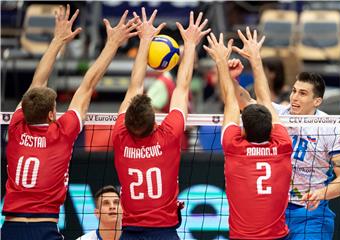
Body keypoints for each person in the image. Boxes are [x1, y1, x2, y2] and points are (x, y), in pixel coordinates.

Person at [1, 5, 139, 240]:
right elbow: (88, 84)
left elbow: (37, 82)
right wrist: (113, 44)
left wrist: (57, 40)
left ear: (24, 111)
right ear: (53, 115)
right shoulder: (61, 133)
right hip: (43, 228)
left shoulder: (15, 126)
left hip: (10, 228)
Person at [231, 38, 340, 240]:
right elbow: (245, 100)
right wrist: (231, 78)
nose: (295, 97)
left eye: (303, 93)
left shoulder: (330, 127)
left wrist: (321, 193)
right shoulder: (278, 113)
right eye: (294, 91)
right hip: (273, 211)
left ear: (317, 101)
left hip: (311, 214)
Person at [112, 8, 210, 240]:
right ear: (154, 122)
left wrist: (144, 39)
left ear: (127, 120)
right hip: (164, 232)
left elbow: (134, 87)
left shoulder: (119, 136)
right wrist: (190, 44)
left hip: (130, 233)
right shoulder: (168, 135)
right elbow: (182, 87)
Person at [203, 28, 293, 239]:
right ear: (270, 128)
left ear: (243, 129)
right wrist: (255, 58)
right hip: (277, 236)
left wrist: (222, 65)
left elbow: (231, 103)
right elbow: (263, 98)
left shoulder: (235, 148)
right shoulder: (282, 145)